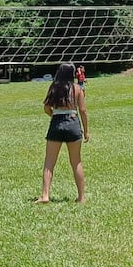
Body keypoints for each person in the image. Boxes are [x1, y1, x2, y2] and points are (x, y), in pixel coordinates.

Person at [36, 62, 89, 204]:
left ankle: (45, 195)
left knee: (49, 162)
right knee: (76, 162)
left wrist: (55, 115)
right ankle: (81, 197)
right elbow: (83, 111)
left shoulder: (53, 87)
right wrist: (86, 131)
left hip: (56, 123)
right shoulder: (77, 88)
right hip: (73, 123)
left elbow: (47, 109)